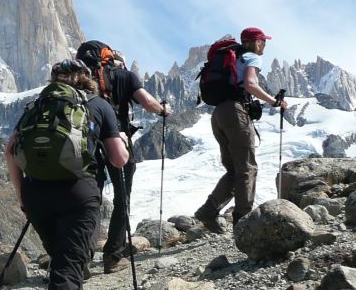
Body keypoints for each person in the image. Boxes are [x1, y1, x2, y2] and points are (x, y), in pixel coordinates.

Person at [5, 59, 130, 290]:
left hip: (36, 196)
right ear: (87, 78)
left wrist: (21, 194)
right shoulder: (98, 105)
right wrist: (121, 140)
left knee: (62, 259)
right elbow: (118, 159)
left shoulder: (36, 106)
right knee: (67, 270)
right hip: (77, 194)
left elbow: (10, 150)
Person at [194, 27, 288, 233]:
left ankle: (208, 211)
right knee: (247, 169)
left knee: (234, 170)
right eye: (263, 40)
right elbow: (250, 84)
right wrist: (274, 101)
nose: (264, 44)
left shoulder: (232, 58)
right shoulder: (252, 58)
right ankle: (243, 223)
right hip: (236, 113)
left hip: (219, 114)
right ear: (255, 41)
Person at [98, 50, 171, 274]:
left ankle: (77, 257)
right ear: (120, 62)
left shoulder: (85, 76)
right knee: (122, 198)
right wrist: (163, 110)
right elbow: (148, 102)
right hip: (117, 139)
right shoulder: (126, 75)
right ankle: (113, 255)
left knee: (89, 198)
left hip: (86, 142)